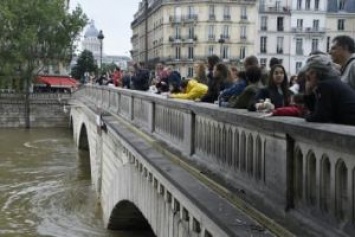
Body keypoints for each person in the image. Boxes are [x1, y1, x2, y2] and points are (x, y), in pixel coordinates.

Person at [299, 54, 355, 125]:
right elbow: (316, 111)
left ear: (316, 73)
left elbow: (321, 117)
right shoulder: (331, 83)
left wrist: (307, 117)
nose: (307, 78)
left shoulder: (325, 86)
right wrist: (308, 92)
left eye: (309, 73)